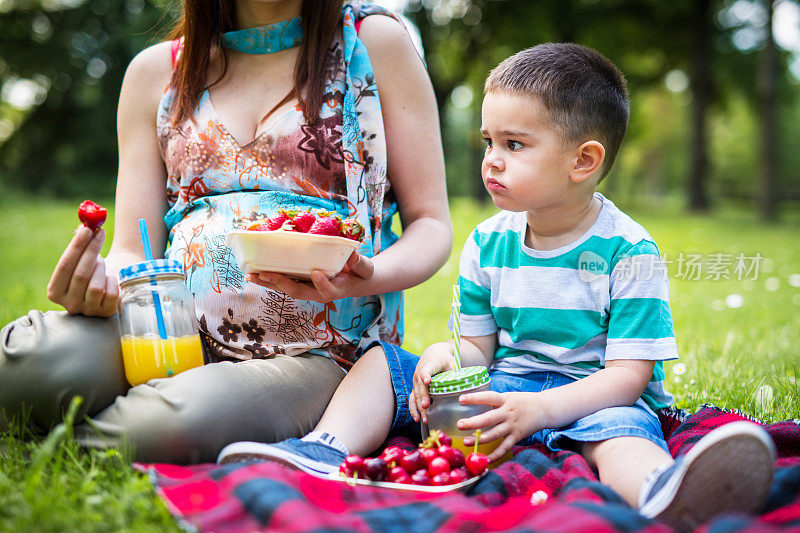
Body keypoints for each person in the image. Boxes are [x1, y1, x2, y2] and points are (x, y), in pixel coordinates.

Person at [217, 43, 776, 530]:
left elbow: (627, 379)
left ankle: (661, 490)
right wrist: (443, 356)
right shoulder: (489, 242)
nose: (491, 162)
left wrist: (540, 411)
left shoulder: (629, 252)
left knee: (623, 431)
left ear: (583, 161)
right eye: (489, 142)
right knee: (382, 363)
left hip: (590, 399)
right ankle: (321, 451)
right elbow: (477, 350)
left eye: (514, 145)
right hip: (506, 384)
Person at [0, 0, 452, 464]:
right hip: (169, 328)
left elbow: (431, 224)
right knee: (25, 363)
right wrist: (99, 282)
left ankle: (97, 432)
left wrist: (368, 275)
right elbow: (134, 249)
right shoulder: (156, 73)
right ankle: (117, 417)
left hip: (321, 355)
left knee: (171, 424)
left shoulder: (375, 43)